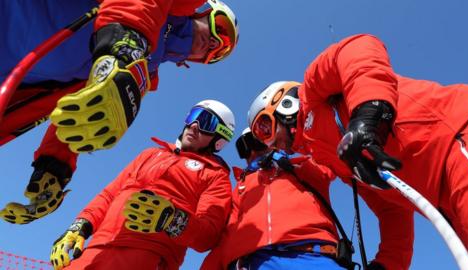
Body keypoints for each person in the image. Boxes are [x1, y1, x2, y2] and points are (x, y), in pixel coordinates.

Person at [247, 34, 468, 268]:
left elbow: (358, 46)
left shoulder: (313, 93)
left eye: (264, 127)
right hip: (447, 203)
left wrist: (369, 112)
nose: (269, 144)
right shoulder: (333, 158)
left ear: (284, 103)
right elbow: (391, 208)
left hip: (459, 137)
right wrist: (387, 264)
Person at [0, 0, 239, 224]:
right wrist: (127, 44)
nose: (214, 44)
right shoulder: (156, 21)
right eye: (221, 30)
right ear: (204, 10)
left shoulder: (144, 72)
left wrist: (54, 165)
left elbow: (84, 104)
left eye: (219, 53)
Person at [49, 99, 235, 269]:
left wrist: (172, 220)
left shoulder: (215, 175)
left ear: (219, 139)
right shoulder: (151, 154)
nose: (194, 126)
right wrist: (80, 225)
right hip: (95, 250)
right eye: (194, 116)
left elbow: (208, 236)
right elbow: (109, 195)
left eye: (206, 122)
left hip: (148, 256)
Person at [200, 128, 351, 270]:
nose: (251, 152)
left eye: (255, 142)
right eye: (243, 149)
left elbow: (332, 151)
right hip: (258, 262)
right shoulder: (241, 187)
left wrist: (293, 138)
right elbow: (228, 236)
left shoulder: (304, 168)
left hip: (314, 256)